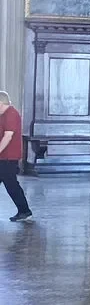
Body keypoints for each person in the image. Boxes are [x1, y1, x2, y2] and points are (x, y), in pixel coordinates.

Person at [0, 91, 32, 222]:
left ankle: (24, 211)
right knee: (11, 184)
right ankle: (24, 211)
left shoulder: (11, 114)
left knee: (12, 185)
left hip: (8, 157)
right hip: (3, 157)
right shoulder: (3, 115)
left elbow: (8, 136)